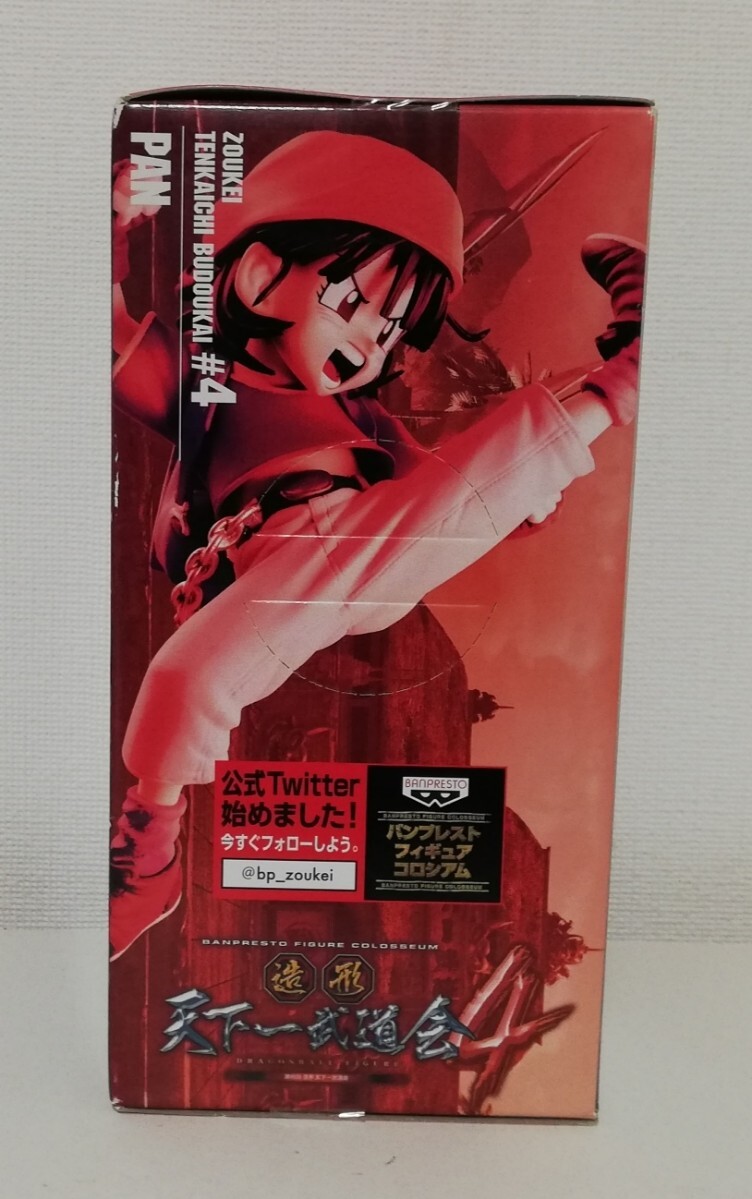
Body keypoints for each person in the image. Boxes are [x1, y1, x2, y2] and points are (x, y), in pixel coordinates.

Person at [110, 130, 644, 961]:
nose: (371, 343)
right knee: (186, 678)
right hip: (276, 565)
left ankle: (621, 376)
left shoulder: (366, 422)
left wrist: (518, 498)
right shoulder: (206, 384)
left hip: (356, 548)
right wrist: (112, 222)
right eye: (353, 303)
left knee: (422, 515)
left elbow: (443, 494)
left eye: (393, 332)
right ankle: (147, 859)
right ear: (259, 273)